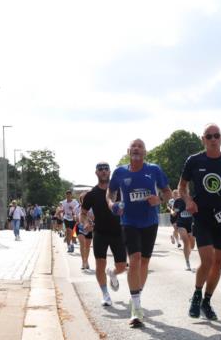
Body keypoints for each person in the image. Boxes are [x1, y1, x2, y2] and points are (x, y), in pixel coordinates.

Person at [179, 123, 221, 321]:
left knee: (218, 263)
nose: (213, 139)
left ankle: (207, 301)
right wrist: (188, 201)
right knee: (207, 261)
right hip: (202, 217)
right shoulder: (194, 160)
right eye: (209, 136)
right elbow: (181, 187)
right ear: (203, 139)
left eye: (216, 136)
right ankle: (197, 295)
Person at [109, 139, 172, 327]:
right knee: (134, 260)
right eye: (133, 147)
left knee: (144, 262)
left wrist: (159, 199)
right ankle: (136, 309)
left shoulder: (154, 170)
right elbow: (110, 193)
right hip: (128, 221)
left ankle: (134, 295)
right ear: (128, 151)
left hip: (150, 222)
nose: (136, 149)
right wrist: (112, 205)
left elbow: (168, 192)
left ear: (145, 152)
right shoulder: (120, 172)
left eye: (140, 147)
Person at [82, 162, 128, 307]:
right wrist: (86, 222)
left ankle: (113, 273)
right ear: (96, 173)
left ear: (109, 172)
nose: (103, 171)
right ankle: (105, 294)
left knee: (121, 267)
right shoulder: (91, 194)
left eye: (106, 169)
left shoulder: (119, 191)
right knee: (100, 264)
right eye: (100, 169)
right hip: (100, 233)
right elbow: (82, 213)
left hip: (118, 232)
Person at [170, 189, 195, 271]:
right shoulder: (178, 201)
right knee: (186, 241)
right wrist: (174, 212)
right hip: (181, 223)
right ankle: (187, 262)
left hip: (190, 223)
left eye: (186, 192)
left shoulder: (192, 199)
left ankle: (187, 254)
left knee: (192, 245)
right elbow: (173, 210)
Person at [76, 191, 94, 271]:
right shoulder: (77, 207)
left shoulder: (93, 207)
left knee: (87, 246)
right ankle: (83, 262)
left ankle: (86, 260)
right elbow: (75, 218)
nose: (85, 199)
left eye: (86, 197)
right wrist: (77, 218)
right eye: (83, 198)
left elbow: (95, 218)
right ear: (81, 199)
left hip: (89, 228)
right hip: (80, 228)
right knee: (82, 244)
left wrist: (91, 219)